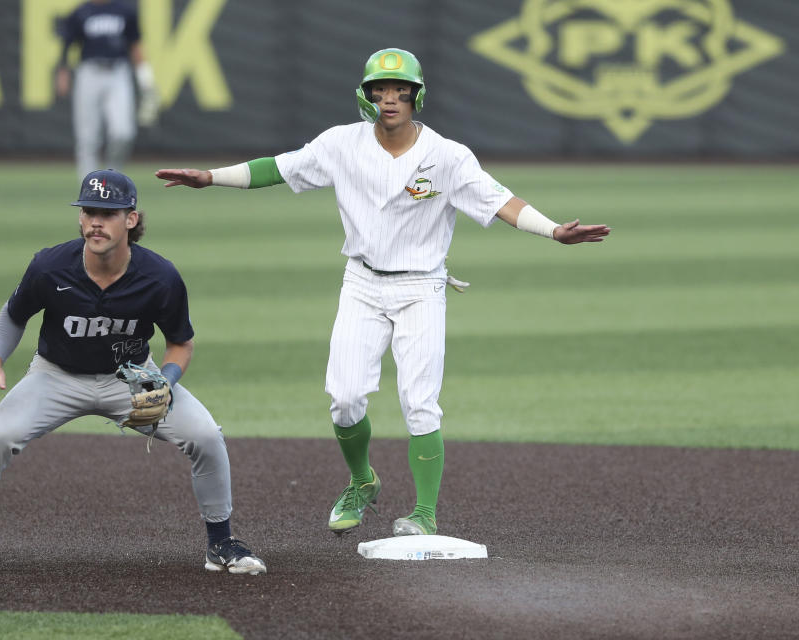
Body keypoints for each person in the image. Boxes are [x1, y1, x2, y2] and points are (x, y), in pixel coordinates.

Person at [154, 48, 610, 539]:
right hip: (363, 283)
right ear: (365, 95)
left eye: (400, 91)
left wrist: (553, 231)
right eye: (380, 90)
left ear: (417, 97)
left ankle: (425, 513)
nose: (390, 99)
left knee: (420, 402)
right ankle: (362, 480)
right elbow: (278, 168)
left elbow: (501, 201)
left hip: (422, 287)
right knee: (345, 399)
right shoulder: (341, 144)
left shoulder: (447, 155)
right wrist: (210, 178)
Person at [0, 169, 266, 576]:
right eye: (89, 211)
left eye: (109, 212)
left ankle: (221, 542)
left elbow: (181, 342)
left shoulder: (159, 276)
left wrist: (164, 382)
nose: (96, 221)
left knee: (206, 437)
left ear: (130, 219)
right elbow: (14, 315)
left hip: (131, 378)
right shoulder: (50, 266)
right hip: (55, 377)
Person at [55, 0, 159, 181]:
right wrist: (63, 71)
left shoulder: (124, 10)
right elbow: (67, 44)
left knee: (123, 132)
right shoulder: (81, 12)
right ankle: (88, 186)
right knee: (87, 136)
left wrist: (145, 79)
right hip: (89, 73)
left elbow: (135, 45)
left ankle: (113, 176)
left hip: (118, 72)